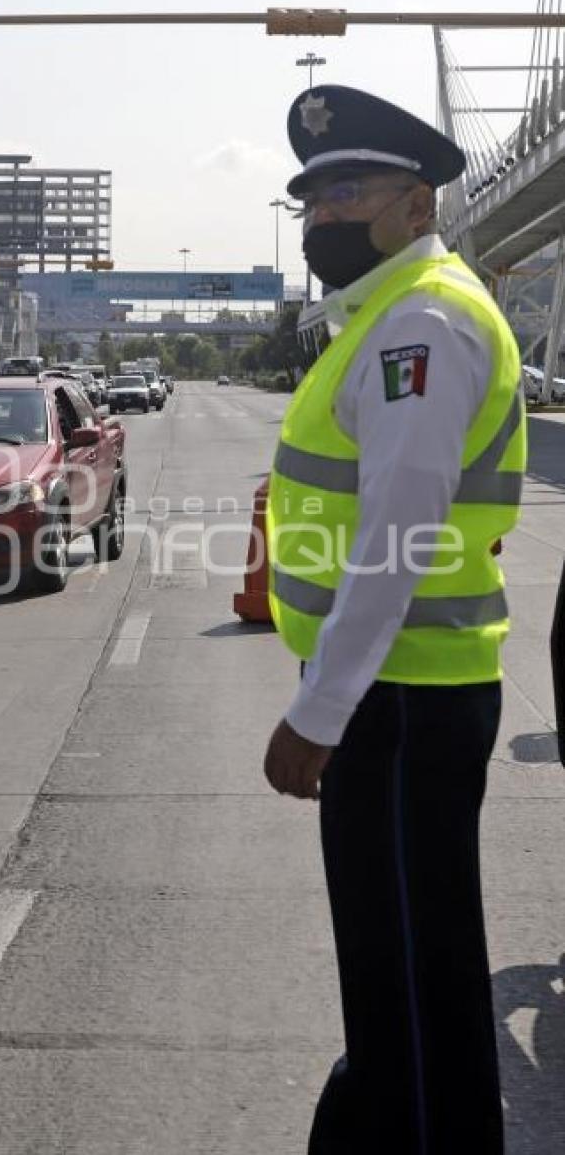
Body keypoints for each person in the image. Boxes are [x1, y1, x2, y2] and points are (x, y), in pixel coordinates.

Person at [263, 85, 526, 1154]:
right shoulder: (389, 313)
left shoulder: (420, 321)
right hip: (401, 694)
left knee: (413, 976)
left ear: (416, 205)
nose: (327, 215)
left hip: (403, 701)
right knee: (392, 968)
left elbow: (399, 533)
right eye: (314, 199)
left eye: (351, 191)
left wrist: (320, 710)